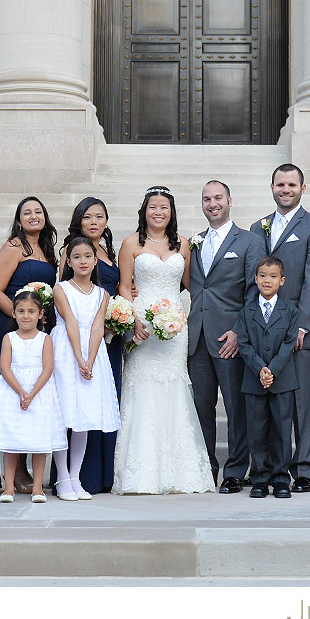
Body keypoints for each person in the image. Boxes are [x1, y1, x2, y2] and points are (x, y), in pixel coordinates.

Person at [112, 186, 214, 494]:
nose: (158, 212)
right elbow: (123, 287)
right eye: (153, 207)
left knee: (174, 387)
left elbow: (193, 284)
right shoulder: (130, 243)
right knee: (142, 388)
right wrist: (134, 321)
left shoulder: (183, 244)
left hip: (174, 328)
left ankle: (178, 470)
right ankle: (141, 472)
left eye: (164, 208)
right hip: (142, 327)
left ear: (172, 212)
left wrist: (182, 317)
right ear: (144, 210)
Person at [249, 164, 310, 493]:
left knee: (299, 401)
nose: (286, 189)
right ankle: (268, 468)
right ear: (272, 187)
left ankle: (306, 467)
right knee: (266, 401)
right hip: (262, 328)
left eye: (292, 184)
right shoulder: (258, 226)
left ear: (302, 188)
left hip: (296, 329)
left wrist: (303, 325)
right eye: (280, 184)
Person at [187, 180, 265, 492]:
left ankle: (235, 471)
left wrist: (238, 331)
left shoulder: (248, 241)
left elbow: (254, 291)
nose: (212, 203)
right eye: (207, 199)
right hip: (198, 339)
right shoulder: (194, 241)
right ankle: (206, 467)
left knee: (236, 408)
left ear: (230, 201)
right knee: (201, 408)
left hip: (231, 338)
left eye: (218, 198)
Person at [50, 198, 123, 495]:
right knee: (63, 414)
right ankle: (62, 477)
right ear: (68, 261)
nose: (82, 261)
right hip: (66, 352)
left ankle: (77, 477)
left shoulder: (102, 294)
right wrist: (79, 357)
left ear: (95, 261)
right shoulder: (61, 288)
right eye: (76, 256)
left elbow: (96, 327)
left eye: (87, 257)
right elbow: (69, 323)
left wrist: (90, 359)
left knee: (84, 418)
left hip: (92, 356)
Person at [0, 196, 58, 495]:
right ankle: (15, 474)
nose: (33, 216)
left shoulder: (46, 250)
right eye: (26, 213)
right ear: (18, 220)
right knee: (17, 404)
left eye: (38, 212)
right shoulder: (15, 247)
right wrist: (22, 320)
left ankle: (27, 471)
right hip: (16, 331)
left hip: (40, 331)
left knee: (35, 404)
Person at [0, 289, 68, 503]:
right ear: (13, 314)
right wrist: (21, 392)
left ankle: (37, 489)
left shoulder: (45, 339)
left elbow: (48, 368)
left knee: (39, 441)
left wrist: (32, 393)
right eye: (21, 311)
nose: (26, 316)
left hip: (40, 393)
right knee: (10, 439)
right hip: (12, 391)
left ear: (41, 314)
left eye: (31, 311)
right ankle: (8, 488)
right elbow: (5, 368)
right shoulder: (9, 338)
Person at [235, 256, 300, 499]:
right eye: (262, 275)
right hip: (254, 380)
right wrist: (260, 369)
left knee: (283, 431)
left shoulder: (290, 312)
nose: (267, 280)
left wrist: (272, 370)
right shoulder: (246, 311)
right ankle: (259, 478)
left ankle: (281, 479)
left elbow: (288, 344)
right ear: (255, 279)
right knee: (257, 431)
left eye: (273, 276)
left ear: (282, 281)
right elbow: (244, 343)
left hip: (282, 380)